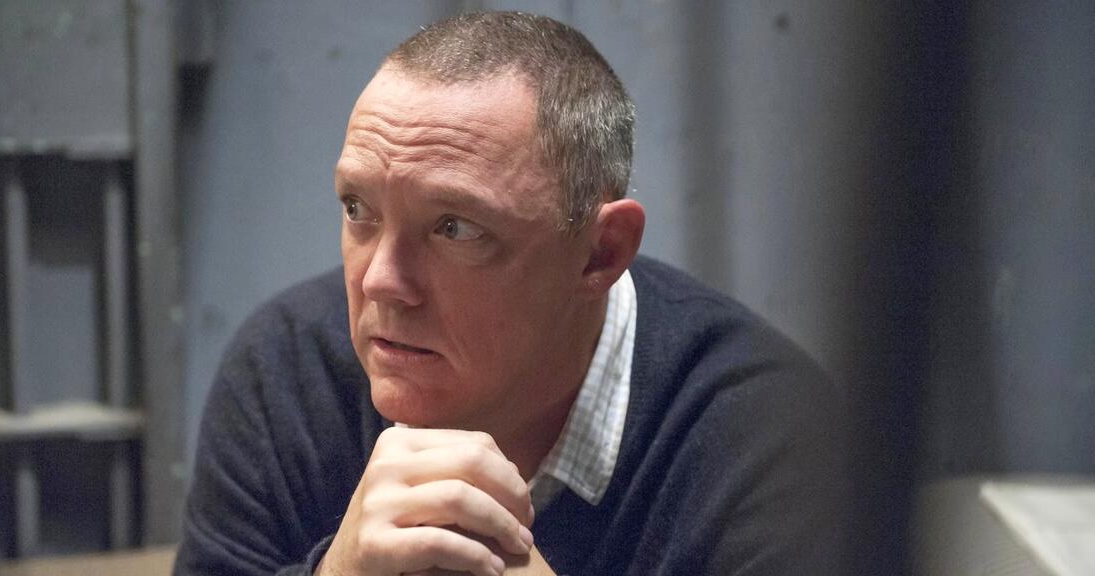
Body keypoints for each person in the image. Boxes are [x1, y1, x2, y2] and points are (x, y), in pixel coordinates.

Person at [174, 11, 846, 576]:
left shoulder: (769, 442)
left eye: (455, 228)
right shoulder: (287, 374)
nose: (380, 281)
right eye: (358, 209)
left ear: (600, 254)